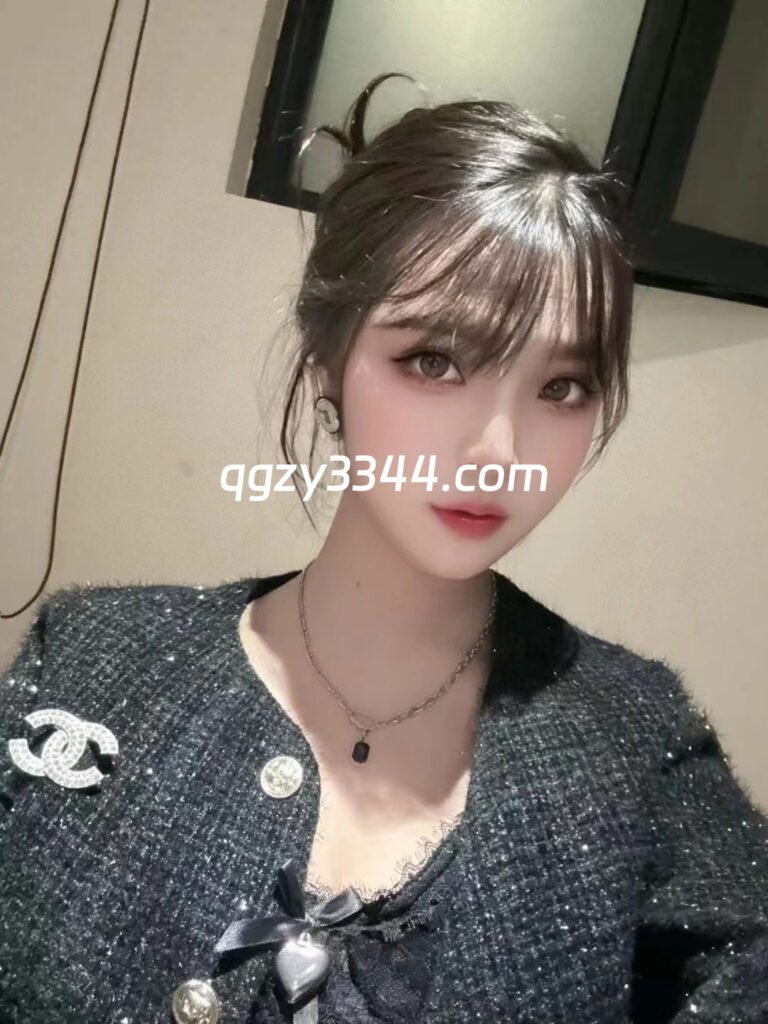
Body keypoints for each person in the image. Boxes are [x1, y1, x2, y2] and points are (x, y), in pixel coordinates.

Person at [1, 76, 767, 1024]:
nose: (499, 452)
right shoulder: (94, 662)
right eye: (434, 361)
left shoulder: (635, 737)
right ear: (328, 355)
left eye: (562, 387)